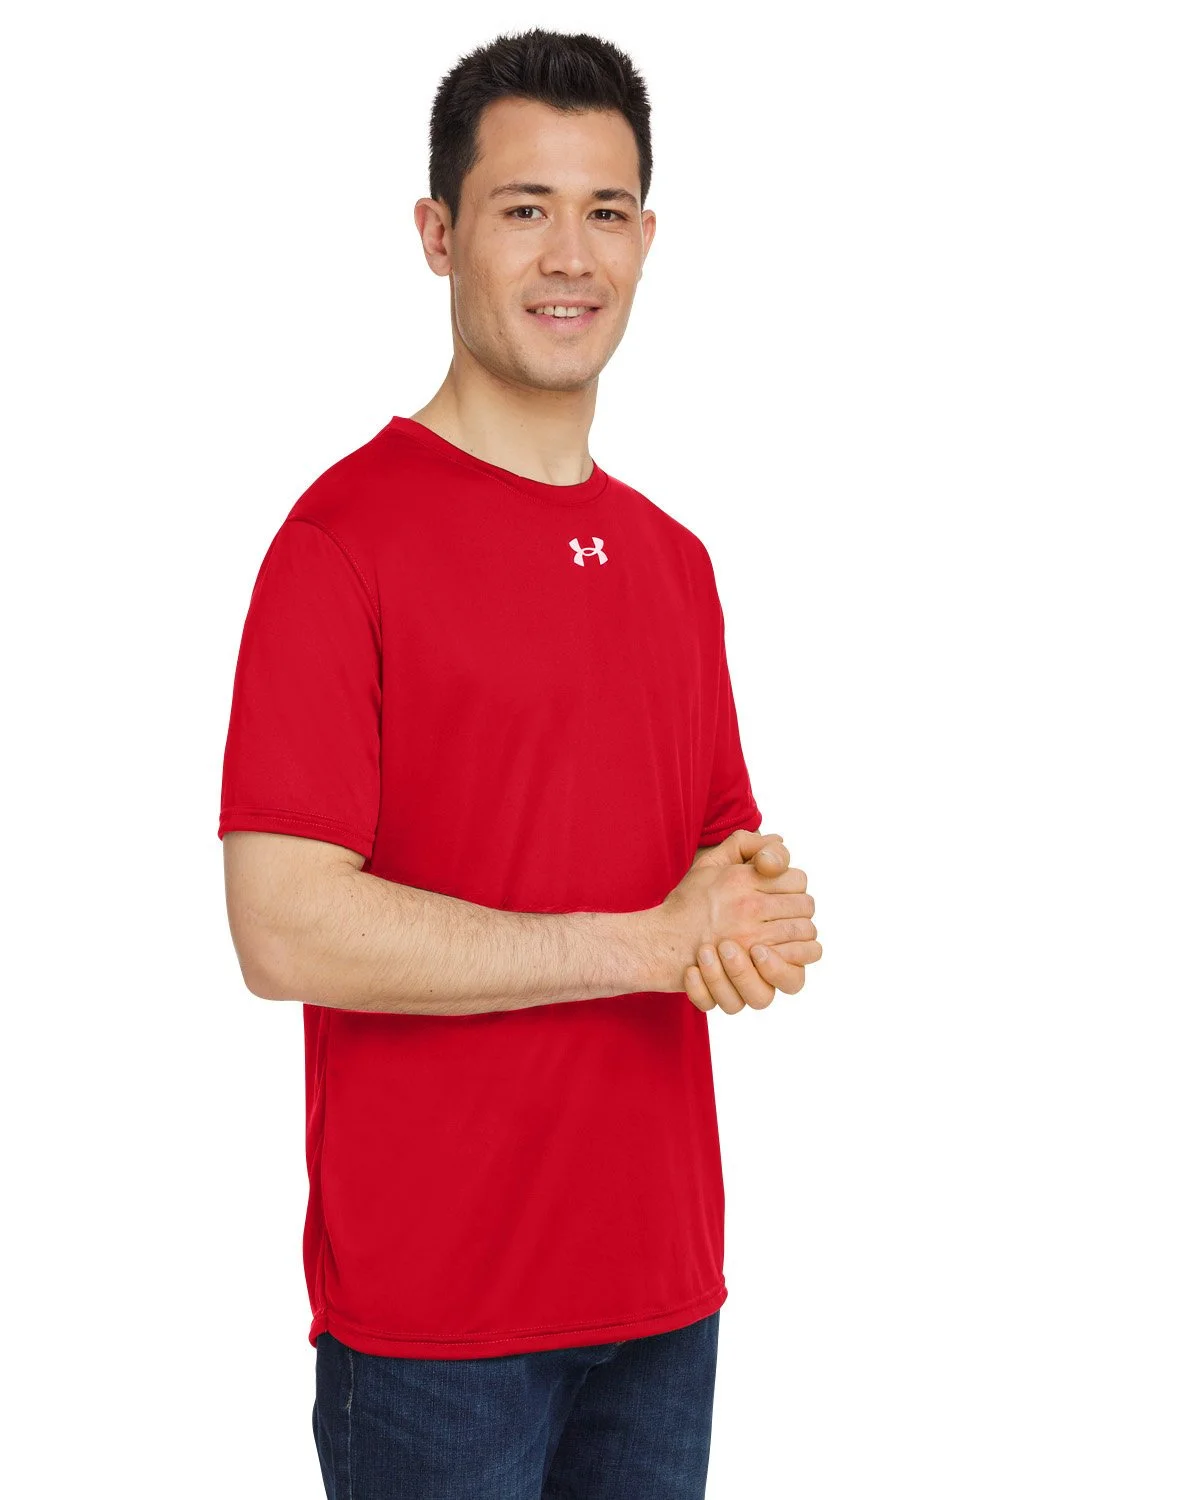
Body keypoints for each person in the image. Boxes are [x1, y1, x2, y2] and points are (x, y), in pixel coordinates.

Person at [218, 26, 821, 1500]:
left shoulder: (675, 563)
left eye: (605, 211)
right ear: (438, 235)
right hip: (439, 1331)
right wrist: (651, 940)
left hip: (665, 1293)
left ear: (648, 241)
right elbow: (281, 925)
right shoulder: (340, 544)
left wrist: (756, 912)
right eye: (524, 208)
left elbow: (716, 863)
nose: (571, 257)